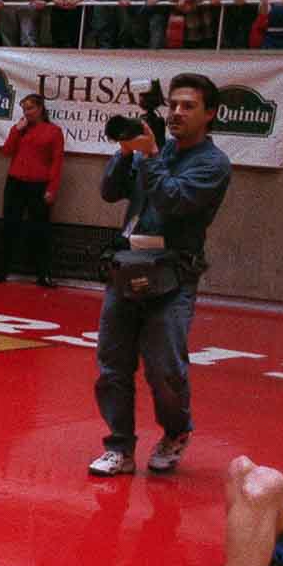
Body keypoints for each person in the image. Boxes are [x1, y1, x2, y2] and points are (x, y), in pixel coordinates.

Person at [90, 72, 230, 476]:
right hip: (126, 268)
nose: (177, 113)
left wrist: (150, 156)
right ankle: (120, 447)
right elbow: (109, 192)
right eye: (173, 105)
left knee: (164, 368)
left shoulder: (212, 164)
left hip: (172, 277)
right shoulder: (156, 150)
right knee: (112, 365)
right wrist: (126, 152)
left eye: (188, 106)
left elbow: (173, 201)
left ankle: (175, 431)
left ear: (210, 114)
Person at [0, 93, 62, 287]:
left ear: (40, 109)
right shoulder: (20, 129)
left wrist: (51, 189)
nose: (27, 112)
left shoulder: (53, 131)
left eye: (30, 108)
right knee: (8, 227)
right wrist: (15, 130)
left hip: (39, 185)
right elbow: (6, 151)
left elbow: (56, 163)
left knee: (40, 229)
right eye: (24, 109)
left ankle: (43, 275)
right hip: (15, 183)